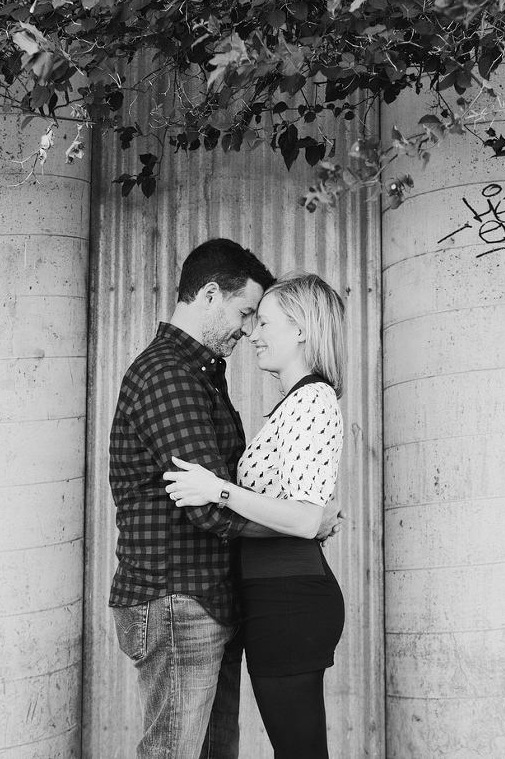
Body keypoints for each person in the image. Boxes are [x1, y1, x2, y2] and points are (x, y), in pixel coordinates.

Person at [108, 241, 341, 759]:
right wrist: (306, 524)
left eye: (259, 320)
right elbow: (211, 508)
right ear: (210, 295)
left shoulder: (204, 377)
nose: (247, 330)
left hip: (204, 600)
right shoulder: (169, 374)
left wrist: (301, 520)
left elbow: (226, 492)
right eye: (243, 314)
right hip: (176, 598)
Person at [164, 272, 347, 759]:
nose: (254, 334)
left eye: (265, 323)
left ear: (302, 330)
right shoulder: (293, 403)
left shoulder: (313, 399)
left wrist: (217, 489)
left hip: (288, 599)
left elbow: (307, 519)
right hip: (274, 595)